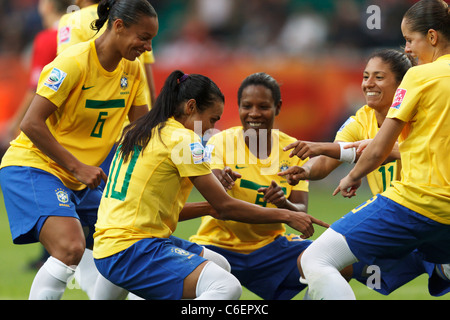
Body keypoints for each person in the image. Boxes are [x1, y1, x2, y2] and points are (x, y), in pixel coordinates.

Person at [93, 70, 328, 300]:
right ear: (191, 107)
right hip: (132, 249)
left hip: (110, 242)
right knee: (226, 287)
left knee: (220, 264)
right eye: (213, 119)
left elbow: (164, 210)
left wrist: (207, 208)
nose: (211, 128)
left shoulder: (142, 130)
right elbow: (226, 206)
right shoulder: (184, 140)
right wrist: (288, 216)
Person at [0, 0, 158, 300]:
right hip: (33, 166)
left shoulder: (133, 69)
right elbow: (30, 124)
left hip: (81, 177)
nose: (148, 48)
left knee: (130, 242)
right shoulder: (73, 62)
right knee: (70, 247)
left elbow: (142, 132)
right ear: (119, 26)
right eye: (144, 37)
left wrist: (193, 167)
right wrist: (78, 168)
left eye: (151, 39)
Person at [298, 0, 450, 300]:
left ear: (432, 37)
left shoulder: (420, 76)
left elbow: (380, 147)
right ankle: (442, 266)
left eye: (410, 40)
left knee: (314, 260)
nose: (407, 49)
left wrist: (353, 176)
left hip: (420, 201)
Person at [188, 72, 315, 300]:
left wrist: (283, 203)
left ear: (278, 107)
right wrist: (220, 179)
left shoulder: (293, 150)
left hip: (271, 249)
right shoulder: (220, 141)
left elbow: (301, 213)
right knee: (172, 282)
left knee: (331, 261)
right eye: (247, 106)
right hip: (216, 245)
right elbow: (212, 179)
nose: (254, 113)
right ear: (238, 107)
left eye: (263, 106)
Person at [58, 0, 157, 106]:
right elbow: (150, 86)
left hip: (94, 113)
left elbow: (66, 67)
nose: (148, 47)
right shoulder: (133, 16)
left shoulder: (74, 20)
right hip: (138, 115)